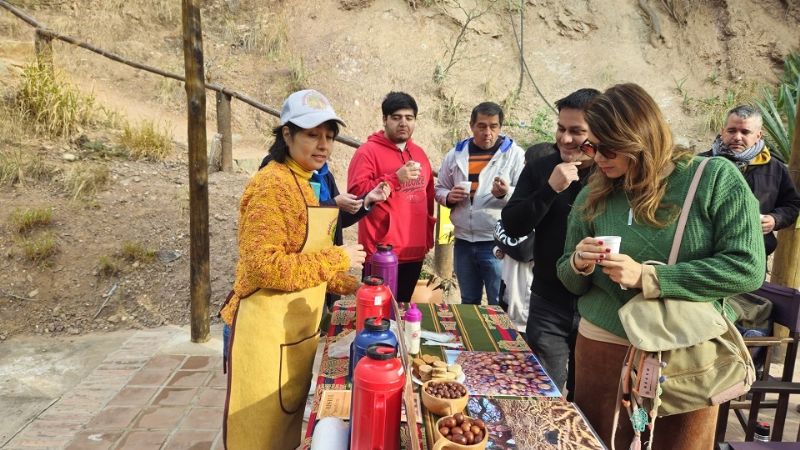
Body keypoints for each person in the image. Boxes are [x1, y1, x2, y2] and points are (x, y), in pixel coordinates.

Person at [556, 83, 765, 449]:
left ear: (640, 137)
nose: (597, 157)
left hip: (683, 354)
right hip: (601, 351)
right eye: (592, 146)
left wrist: (651, 277)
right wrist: (578, 262)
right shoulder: (596, 190)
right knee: (597, 441)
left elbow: (746, 267)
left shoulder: (713, 179)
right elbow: (569, 279)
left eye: (609, 147)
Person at [220, 89, 368, 450]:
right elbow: (263, 266)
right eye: (312, 134)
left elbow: (303, 254)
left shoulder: (304, 181)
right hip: (262, 334)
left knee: (282, 435)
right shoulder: (272, 185)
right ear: (286, 134)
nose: (323, 145)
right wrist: (338, 259)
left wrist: (348, 284)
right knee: (256, 439)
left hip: (290, 334)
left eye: (329, 137)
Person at [501, 88, 599, 399]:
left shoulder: (613, 174)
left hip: (598, 306)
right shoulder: (542, 168)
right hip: (547, 302)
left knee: (589, 397)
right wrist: (549, 190)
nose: (565, 139)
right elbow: (513, 223)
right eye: (561, 128)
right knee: (545, 392)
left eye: (576, 131)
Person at [347, 91, 435, 302]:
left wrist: (426, 238)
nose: (403, 123)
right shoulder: (367, 152)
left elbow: (428, 196)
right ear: (385, 120)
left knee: (402, 308)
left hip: (414, 251)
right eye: (396, 117)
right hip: (381, 252)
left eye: (409, 118)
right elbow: (357, 195)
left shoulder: (420, 153)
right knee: (377, 311)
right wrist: (395, 179)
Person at [435, 102, 526, 305]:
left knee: (498, 300)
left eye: (493, 126)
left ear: (500, 127)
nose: (488, 132)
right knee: (468, 299)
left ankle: (499, 337)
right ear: (471, 125)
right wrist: (449, 196)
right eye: (482, 126)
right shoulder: (456, 154)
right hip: (463, 242)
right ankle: (469, 337)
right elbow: (440, 188)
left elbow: (525, 196)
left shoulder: (514, 155)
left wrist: (505, 193)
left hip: (497, 242)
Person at [700, 105, 800, 258]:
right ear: (722, 131)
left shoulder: (775, 168)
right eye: (732, 130)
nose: (737, 137)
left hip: (753, 255)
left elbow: (792, 204)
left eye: (745, 132)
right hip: (704, 254)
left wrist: (775, 219)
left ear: (759, 135)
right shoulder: (700, 163)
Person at [494, 143, 557, 330]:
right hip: (508, 289)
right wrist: (499, 248)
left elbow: (524, 250)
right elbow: (501, 231)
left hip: (529, 299)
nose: (525, 174)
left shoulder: (549, 208)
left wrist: (506, 244)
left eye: (529, 167)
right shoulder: (520, 204)